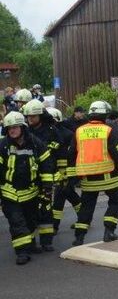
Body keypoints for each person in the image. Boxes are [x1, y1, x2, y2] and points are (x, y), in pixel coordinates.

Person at [0, 111, 55, 264]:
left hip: (31, 192)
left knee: (31, 221)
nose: (12, 130)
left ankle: (29, 245)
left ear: (22, 128)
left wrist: (47, 188)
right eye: (9, 128)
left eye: (15, 127)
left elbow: (46, 165)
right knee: (17, 222)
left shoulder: (35, 143)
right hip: (10, 193)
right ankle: (21, 252)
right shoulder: (3, 145)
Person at [70, 101, 118, 246]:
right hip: (108, 174)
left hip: (88, 177)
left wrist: (72, 176)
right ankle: (109, 232)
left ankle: (79, 237)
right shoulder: (109, 130)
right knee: (115, 202)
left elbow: (72, 153)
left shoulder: (79, 131)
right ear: (105, 115)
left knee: (86, 206)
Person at [22, 99, 58, 249]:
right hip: (29, 176)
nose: (30, 119)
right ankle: (30, 242)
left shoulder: (51, 130)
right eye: (28, 117)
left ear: (40, 116)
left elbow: (58, 146)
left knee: (46, 209)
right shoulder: (25, 131)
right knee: (29, 211)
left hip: (46, 175)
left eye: (33, 116)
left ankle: (46, 241)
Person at [46, 107, 80, 233]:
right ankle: (83, 218)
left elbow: (69, 154)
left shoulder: (64, 134)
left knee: (60, 195)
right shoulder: (53, 132)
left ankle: (54, 226)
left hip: (66, 170)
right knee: (70, 194)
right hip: (58, 170)